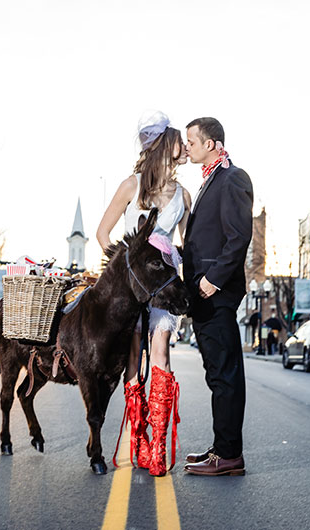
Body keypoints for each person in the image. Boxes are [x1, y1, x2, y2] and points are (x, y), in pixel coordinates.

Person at [96, 110, 192, 477]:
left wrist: (180, 265)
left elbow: (187, 243)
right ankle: (137, 438)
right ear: (164, 146)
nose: (183, 147)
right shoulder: (131, 186)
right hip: (133, 288)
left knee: (161, 350)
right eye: (178, 141)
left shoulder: (183, 195)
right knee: (134, 357)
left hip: (165, 287)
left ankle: (157, 445)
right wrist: (123, 268)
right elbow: (104, 233)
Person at [181, 117, 253, 477]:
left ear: (211, 143)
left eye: (191, 141)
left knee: (225, 374)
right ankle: (221, 448)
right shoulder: (211, 179)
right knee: (216, 375)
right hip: (202, 293)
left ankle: (229, 456)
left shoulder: (232, 178)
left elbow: (239, 237)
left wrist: (213, 280)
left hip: (216, 292)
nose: (187, 146)